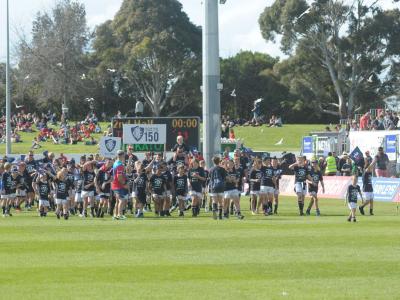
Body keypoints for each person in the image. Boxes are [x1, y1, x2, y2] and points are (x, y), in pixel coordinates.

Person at [111, 150, 129, 220]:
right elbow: (119, 177)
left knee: (118, 200)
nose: (124, 157)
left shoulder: (115, 163)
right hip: (118, 185)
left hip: (114, 185)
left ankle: (115, 215)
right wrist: (124, 184)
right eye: (124, 155)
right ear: (122, 156)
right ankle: (119, 215)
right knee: (122, 200)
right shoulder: (119, 165)